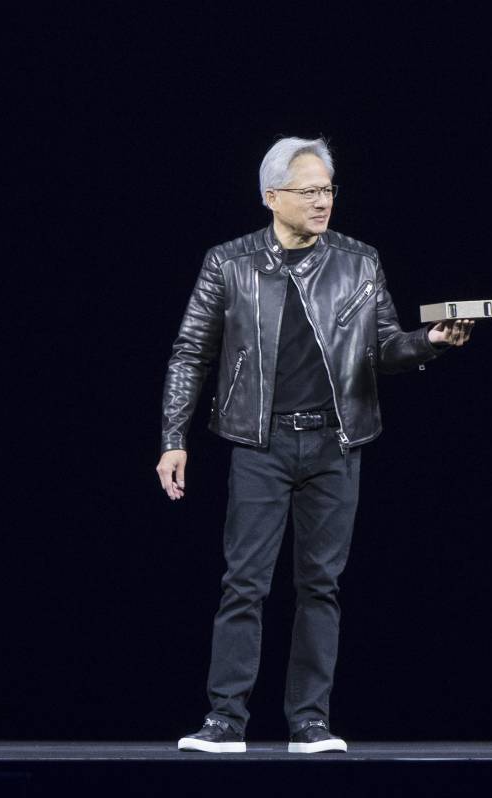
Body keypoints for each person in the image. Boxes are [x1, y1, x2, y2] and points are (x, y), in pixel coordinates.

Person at [156, 136, 475, 754]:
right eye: (308, 191)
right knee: (244, 583)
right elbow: (191, 352)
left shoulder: (359, 261)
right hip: (261, 443)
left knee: (321, 584)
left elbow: (385, 348)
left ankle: (310, 721)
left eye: (327, 189)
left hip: (335, 444)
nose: (322, 201)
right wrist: (174, 438)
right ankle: (225, 719)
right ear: (271, 196)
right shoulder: (229, 262)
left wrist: (430, 340)